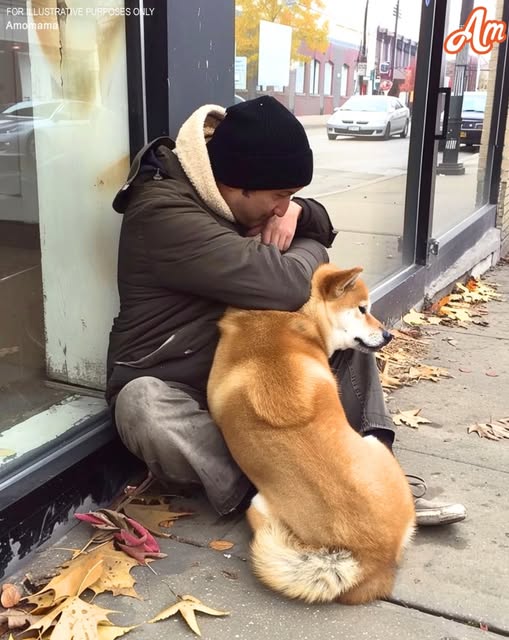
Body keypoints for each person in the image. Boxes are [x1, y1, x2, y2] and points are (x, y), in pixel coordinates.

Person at [106, 95, 466, 527]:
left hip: (246, 366)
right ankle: (271, 497)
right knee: (142, 405)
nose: (282, 209)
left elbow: (318, 223)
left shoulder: (234, 189)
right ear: (237, 185)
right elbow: (287, 285)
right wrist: (310, 242)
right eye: (280, 196)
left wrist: (298, 211)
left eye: (290, 197)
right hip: (178, 380)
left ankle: (374, 470)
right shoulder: (163, 212)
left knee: (342, 329)